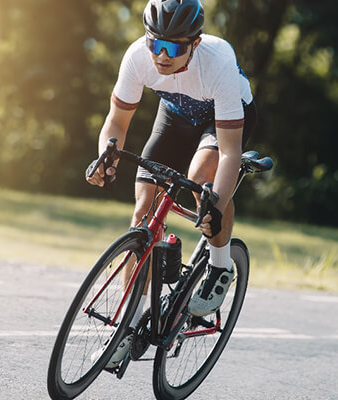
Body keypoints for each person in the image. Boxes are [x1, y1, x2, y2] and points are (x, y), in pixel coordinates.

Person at [86, 0, 257, 368]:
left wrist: (215, 200)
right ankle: (128, 328)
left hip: (221, 119)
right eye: (155, 43)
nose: (162, 56)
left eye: (174, 46)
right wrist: (106, 156)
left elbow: (229, 153)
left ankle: (220, 265)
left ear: (195, 43)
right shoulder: (137, 56)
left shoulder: (218, 61)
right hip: (175, 115)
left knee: (200, 183)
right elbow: (116, 124)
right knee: (143, 214)